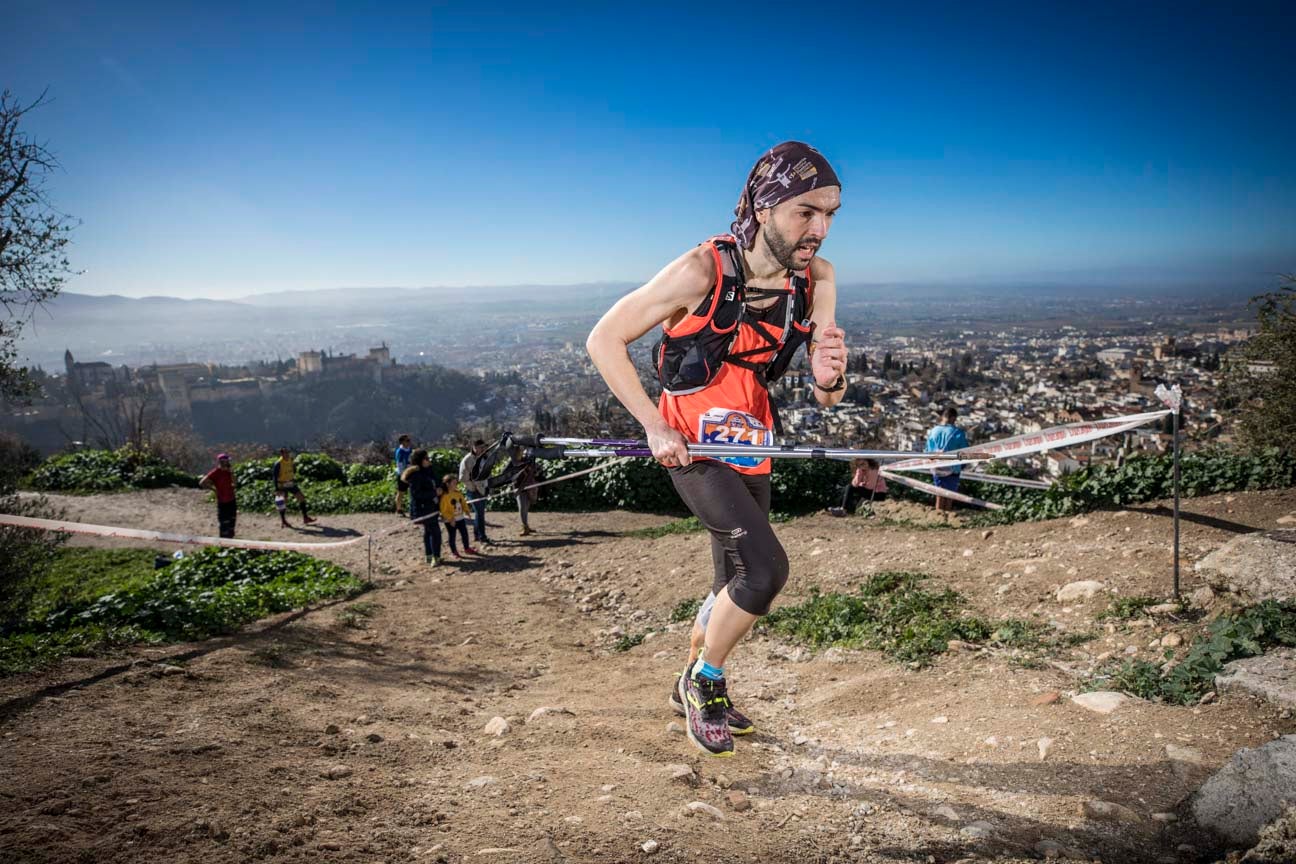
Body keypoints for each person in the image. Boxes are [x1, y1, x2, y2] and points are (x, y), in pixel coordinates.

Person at [587, 141, 847, 757]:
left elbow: (828, 394)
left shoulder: (818, 280)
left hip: (753, 444)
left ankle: (690, 684)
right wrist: (654, 425)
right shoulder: (701, 271)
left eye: (830, 215)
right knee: (766, 570)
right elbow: (604, 339)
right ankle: (704, 680)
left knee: (729, 580)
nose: (820, 230)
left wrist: (831, 376)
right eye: (806, 212)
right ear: (764, 208)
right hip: (693, 447)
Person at [926, 405, 969, 513]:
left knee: (939, 494)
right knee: (949, 495)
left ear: (943, 417)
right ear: (953, 418)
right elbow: (965, 451)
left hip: (936, 466)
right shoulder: (958, 433)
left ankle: (938, 516)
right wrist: (963, 465)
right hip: (952, 468)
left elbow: (927, 450)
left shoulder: (933, 431)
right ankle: (947, 516)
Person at [403, 449, 443, 565]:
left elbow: (436, 482)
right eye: (426, 458)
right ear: (419, 460)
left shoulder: (429, 470)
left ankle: (429, 556)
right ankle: (436, 557)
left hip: (432, 506)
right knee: (435, 532)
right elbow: (416, 494)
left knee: (428, 531)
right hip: (423, 509)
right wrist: (434, 493)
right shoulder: (415, 475)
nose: (429, 460)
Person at [459, 439, 493, 546]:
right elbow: (463, 478)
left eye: (484, 447)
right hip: (474, 491)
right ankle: (482, 536)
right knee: (480, 514)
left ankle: (477, 535)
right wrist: (473, 488)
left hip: (484, 489)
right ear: (474, 447)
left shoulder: (485, 458)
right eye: (480, 447)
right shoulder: (468, 459)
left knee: (480, 513)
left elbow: (488, 473)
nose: (482, 449)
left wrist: (489, 486)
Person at [272, 447, 316, 526]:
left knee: (301, 498)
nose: (287, 454)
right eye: (285, 452)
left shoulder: (290, 460)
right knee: (283, 502)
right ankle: (283, 521)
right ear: (281, 454)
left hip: (290, 483)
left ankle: (305, 518)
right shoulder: (278, 464)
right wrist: (277, 489)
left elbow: (293, 470)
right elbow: (274, 477)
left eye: (288, 452)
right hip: (282, 485)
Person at [198, 453, 237, 538]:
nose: (227, 463)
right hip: (222, 501)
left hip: (231, 499)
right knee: (224, 523)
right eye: (225, 461)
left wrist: (231, 473)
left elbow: (235, 483)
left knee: (232, 522)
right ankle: (223, 541)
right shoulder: (215, 472)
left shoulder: (229, 472)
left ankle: (231, 541)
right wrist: (214, 489)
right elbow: (202, 482)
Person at [439, 474, 478, 558]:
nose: (456, 485)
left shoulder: (458, 493)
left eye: (456, 483)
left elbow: (463, 503)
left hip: (460, 518)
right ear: (447, 484)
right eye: (453, 483)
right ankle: (454, 552)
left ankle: (467, 548)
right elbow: (443, 511)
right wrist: (450, 519)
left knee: (464, 534)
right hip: (450, 520)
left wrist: (467, 511)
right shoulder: (444, 496)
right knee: (452, 536)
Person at [394, 434, 413, 515]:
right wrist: (403, 475)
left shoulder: (410, 450)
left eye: (409, 440)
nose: (409, 442)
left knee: (412, 491)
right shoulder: (400, 451)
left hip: (410, 473)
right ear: (402, 442)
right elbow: (399, 464)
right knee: (401, 492)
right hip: (402, 474)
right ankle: (399, 509)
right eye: (407, 440)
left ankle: (412, 508)